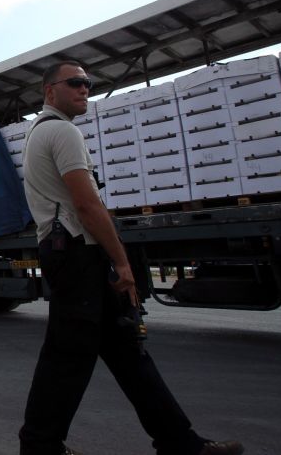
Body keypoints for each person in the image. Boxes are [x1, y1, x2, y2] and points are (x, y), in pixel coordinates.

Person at [18, 61, 243, 455]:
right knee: (66, 356)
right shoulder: (61, 131)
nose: (84, 88)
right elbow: (88, 206)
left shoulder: (39, 133)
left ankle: (180, 442)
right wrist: (121, 262)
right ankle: (39, 446)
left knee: (129, 354)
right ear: (49, 91)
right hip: (77, 254)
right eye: (75, 83)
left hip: (70, 253)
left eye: (88, 83)